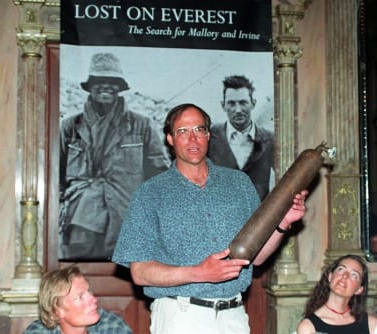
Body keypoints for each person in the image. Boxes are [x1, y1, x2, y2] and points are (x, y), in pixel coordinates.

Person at [112, 103, 307, 334]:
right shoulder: (150, 193)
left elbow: (256, 257)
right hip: (181, 317)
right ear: (170, 139)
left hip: (233, 315)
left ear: (208, 135)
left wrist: (283, 223)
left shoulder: (239, 184)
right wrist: (199, 273)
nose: (192, 139)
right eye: (183, 131)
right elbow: (140, 272)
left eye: (199, 129)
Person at [59, 52, 170, 260]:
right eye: (99, 81)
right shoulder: (69, 127)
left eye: (112, 81)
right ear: (90, 86)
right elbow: (54, 174)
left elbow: (159, 176)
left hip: (125, 218)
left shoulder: (141, 125)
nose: (106, 86)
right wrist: (63, 205)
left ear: (120, 87)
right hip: (80, 220)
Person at [208, 75, 274, 201]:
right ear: (223, 106)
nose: (238, 110)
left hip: (259, 217)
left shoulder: (270, 139)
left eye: (243, 103)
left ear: (253, 104)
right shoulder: (209, 138)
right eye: (231, 103)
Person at [23, 265, 132, 334]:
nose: (93, 299)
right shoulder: (37, 332)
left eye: (88, 291)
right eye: (80, 297)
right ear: (58, 311)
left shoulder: (111, 325)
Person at [296, 254, 377, 334]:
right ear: (330, 277)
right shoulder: (308, 327)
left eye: (354, 275)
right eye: (341, 269)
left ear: (359, 290)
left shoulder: (371, 325)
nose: (345, 276)